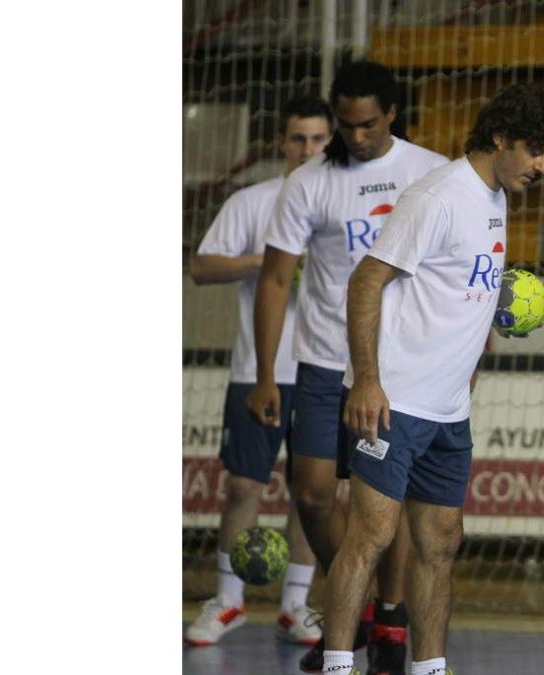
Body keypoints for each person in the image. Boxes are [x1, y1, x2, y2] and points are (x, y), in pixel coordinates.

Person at [317, 82, 544, 675]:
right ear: (501, 138)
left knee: (440, 543)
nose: (543, 164)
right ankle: (336, 664)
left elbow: (461, 297)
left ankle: (428, 667)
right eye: (536, 149)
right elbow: (366, 281)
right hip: (391, 401)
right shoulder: (438, 195)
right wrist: (366, 381)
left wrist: (469, 369)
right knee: (372, 535)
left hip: (447, 411)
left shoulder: (497, 196)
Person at [248, 61, 449, 675]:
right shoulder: (310, 181)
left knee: (381, 506)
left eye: (367, 125)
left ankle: (388, 616)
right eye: (345, 125)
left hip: (398, 369)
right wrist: (264, 373)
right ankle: (355, 602)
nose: (355, 137)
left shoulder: (429, 172)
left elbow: (447, 270)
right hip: (319, 362)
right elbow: (277, 278)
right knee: (311, 495)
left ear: (391, 115)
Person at [184, 95, 333, 647]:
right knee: (244, 485)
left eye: (319, 139)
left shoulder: (343, 204)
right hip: (258, 369)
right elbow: (200, 266)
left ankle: (296, 605)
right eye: (298, 139)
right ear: (282, 144)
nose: (308, 149)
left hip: (325, 371)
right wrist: (268, 262)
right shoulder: (254, 202)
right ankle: (228, 601)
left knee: (311, 494)